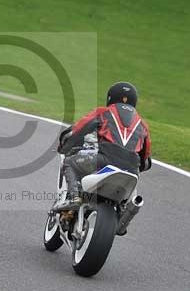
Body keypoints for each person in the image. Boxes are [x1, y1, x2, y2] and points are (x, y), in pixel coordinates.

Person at [55, 82, 152, 211]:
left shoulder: (103, 112)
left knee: (69, 163)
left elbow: (78, 130)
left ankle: (74, 198)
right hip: (132, 170)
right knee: (126, 201)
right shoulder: (143, 124)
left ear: (111, 97)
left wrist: (64, 146)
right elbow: (145, 157)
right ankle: (123, 213)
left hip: (105, 160)